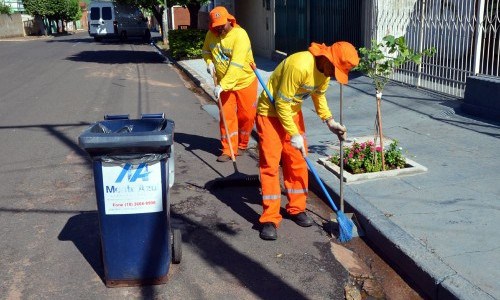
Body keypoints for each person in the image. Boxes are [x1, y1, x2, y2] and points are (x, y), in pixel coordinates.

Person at [256, 41, 360, 240]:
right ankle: (269, 218)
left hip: (292, 114)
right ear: (328, 59)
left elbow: (318, 96)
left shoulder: (325, 73)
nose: (333, 75)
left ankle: (296, 208)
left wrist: (329, 121)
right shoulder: (300, 65)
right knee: (270, 165)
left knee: (298, 162)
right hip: (269, 114)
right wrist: (294, 134)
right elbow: (281, 104)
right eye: (335, 70)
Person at [202, 6, 258, 162]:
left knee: (247, 116)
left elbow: (236, 64)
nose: (219, 28)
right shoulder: (211, 35)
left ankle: (242, 143)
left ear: (229, 20)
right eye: (216, 26)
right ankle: (228, 149)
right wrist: (209, 63)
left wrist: (223, 85)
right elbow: (206, 51)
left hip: (244, 82)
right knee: (226, 117)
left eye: (221, 25)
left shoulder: (240, 35)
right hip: (223, 85)